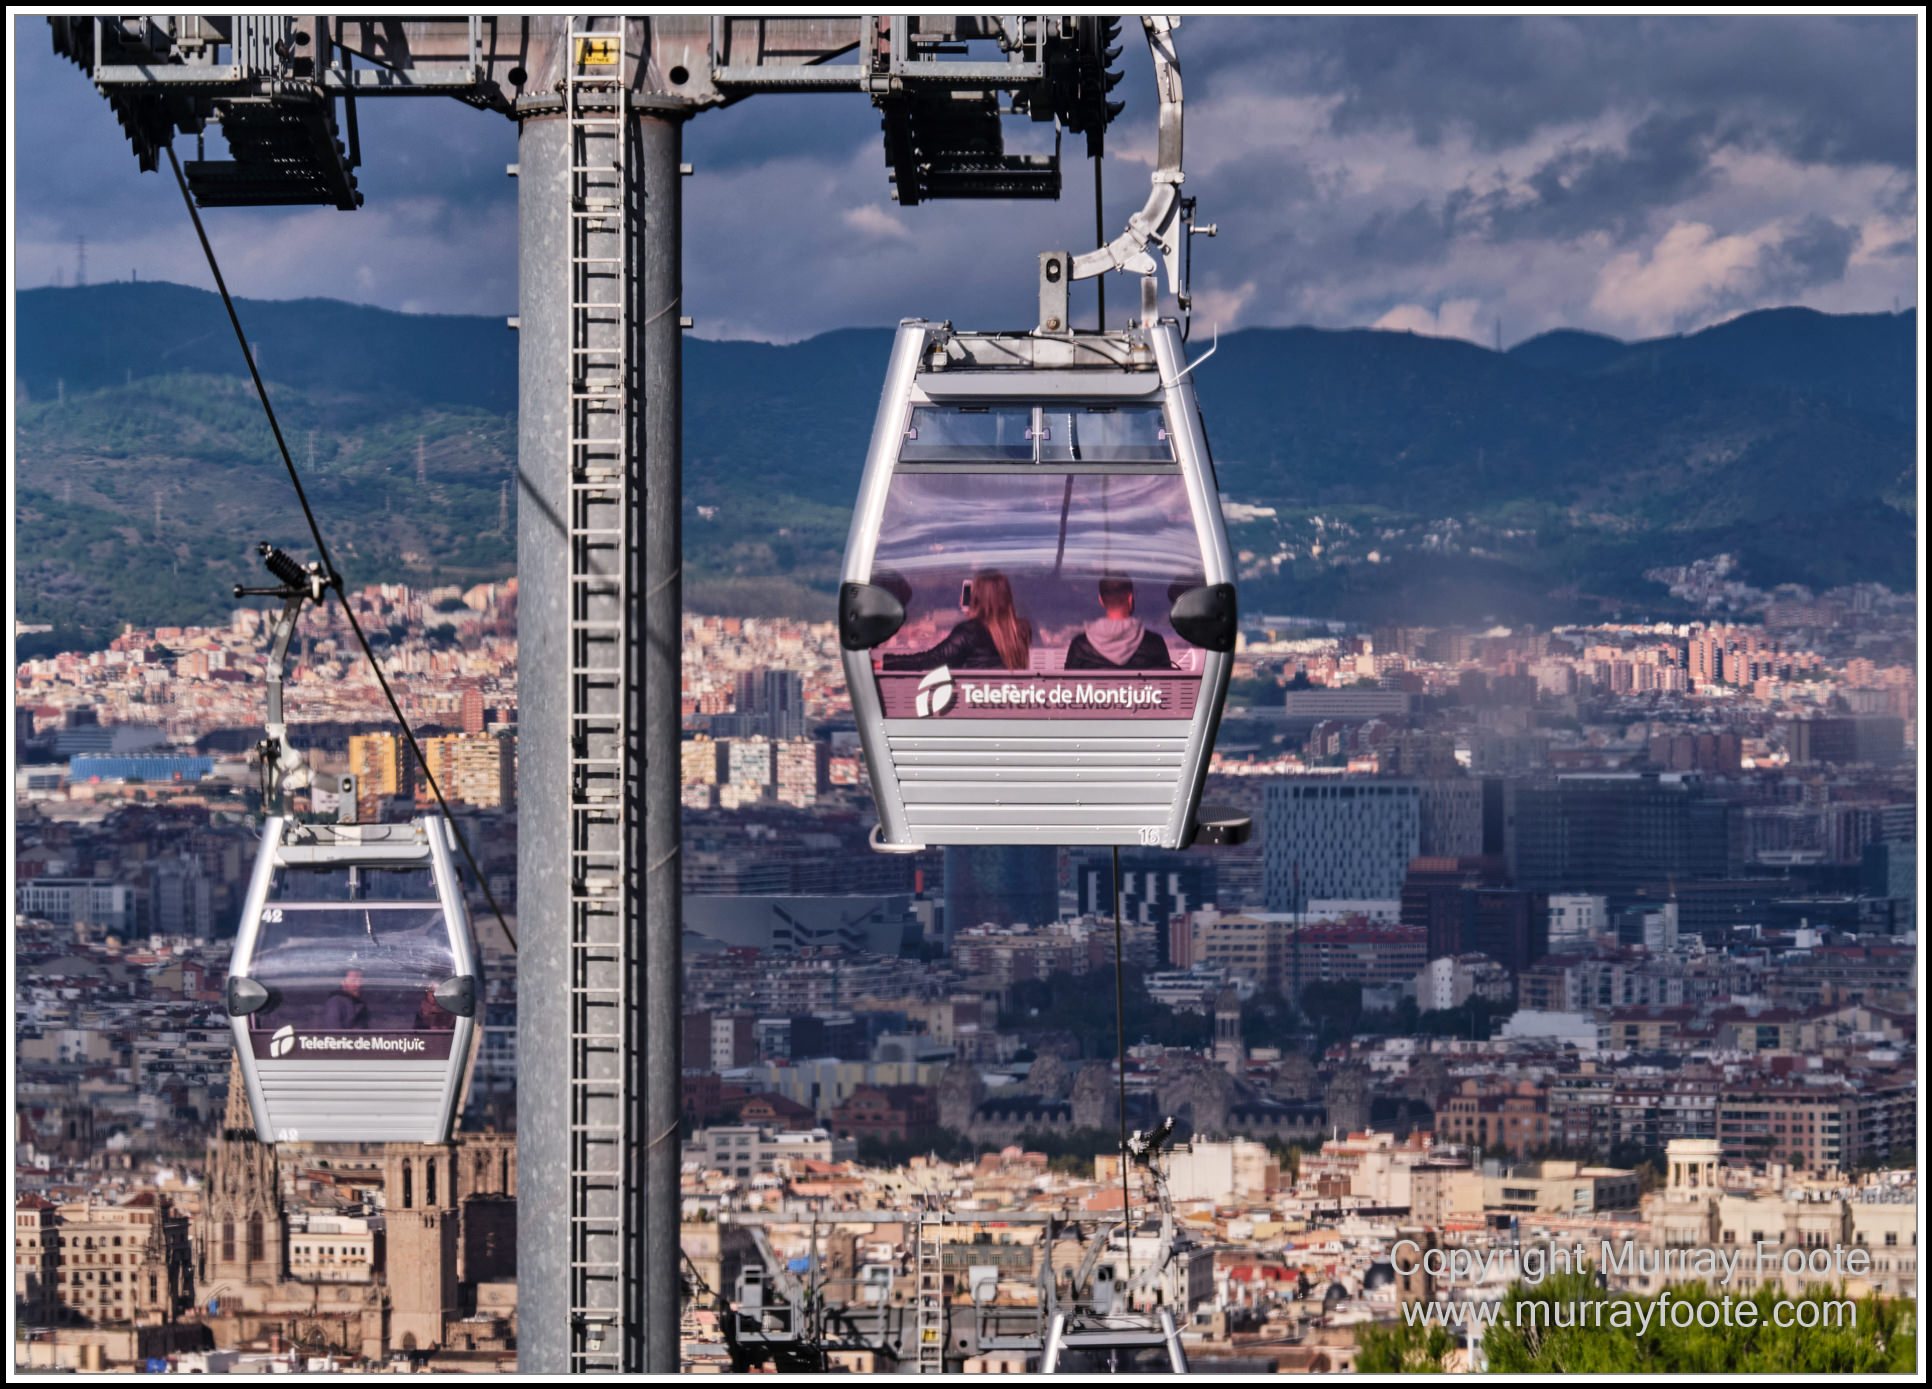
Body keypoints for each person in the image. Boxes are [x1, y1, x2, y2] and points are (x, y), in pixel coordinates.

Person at [881, 569, 1032, 671]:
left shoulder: (969, 631)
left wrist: (883, 663)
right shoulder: (1022, 629)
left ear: (977, 598)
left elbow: (931, 660)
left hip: (974, 700)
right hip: (1008, 699)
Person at [1064, 574, 1174, 670]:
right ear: (1130, 599)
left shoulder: (1080, 646)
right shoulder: (1154, 643)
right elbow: (1168, 684)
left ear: (1101, 600)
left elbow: (1067, 685)